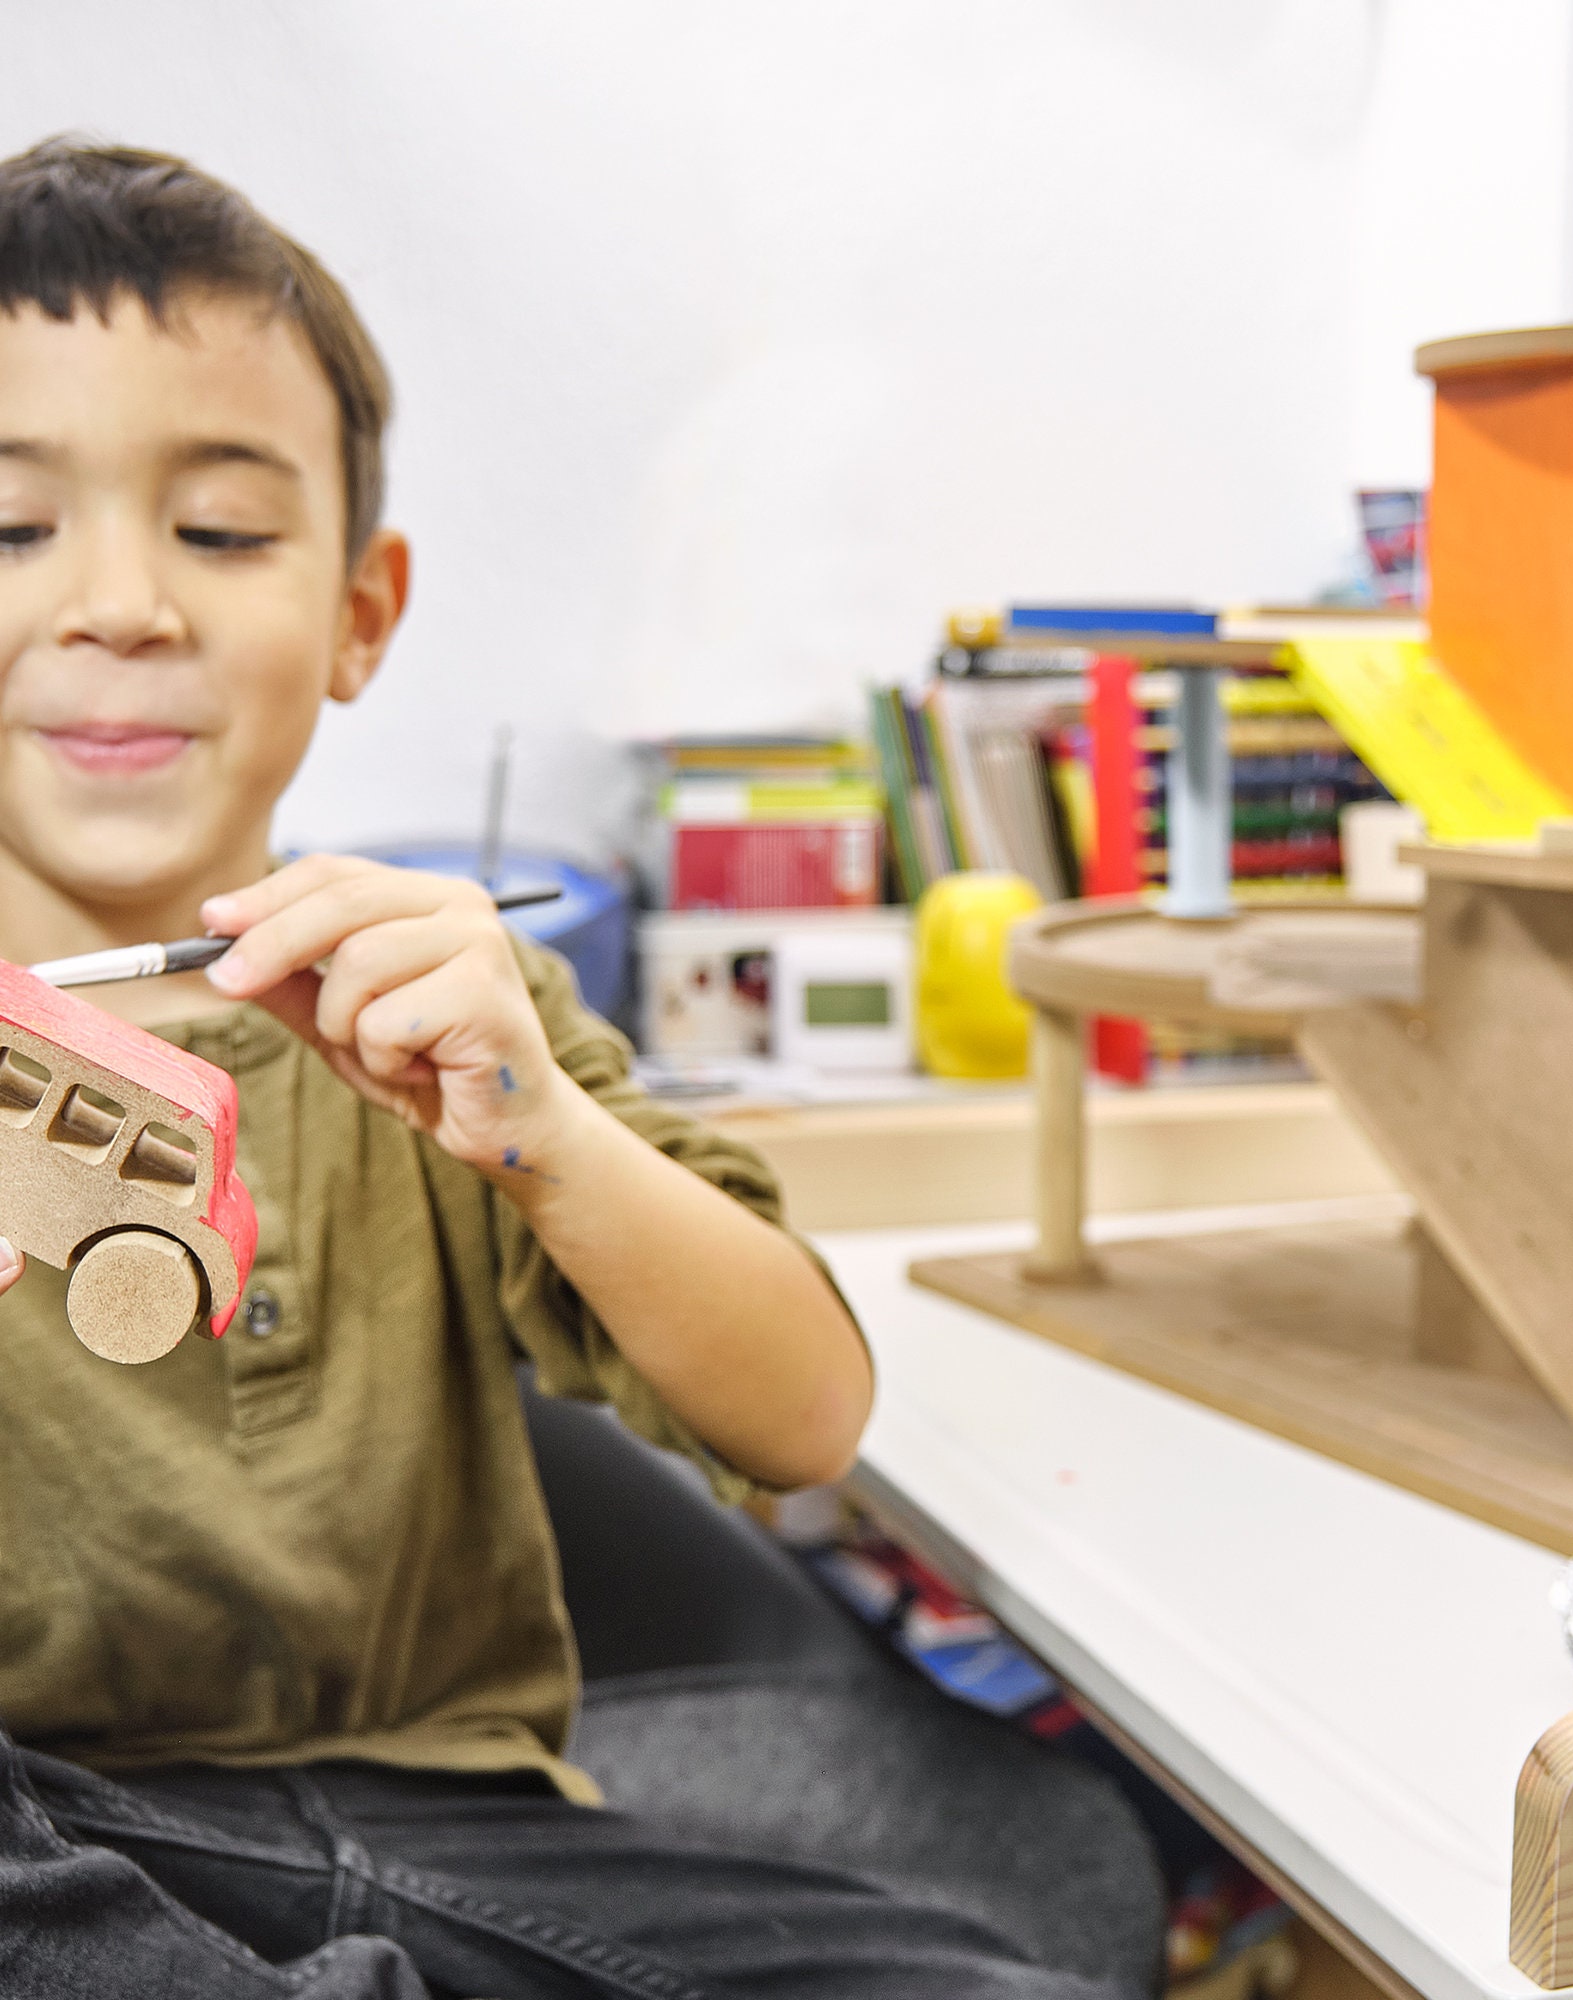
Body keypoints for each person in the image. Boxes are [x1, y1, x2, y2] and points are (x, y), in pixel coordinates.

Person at [0, 138, 1163, 1997]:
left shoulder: (464, 1008)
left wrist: (535, 1128)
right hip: (65, 1840)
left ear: (363, 613)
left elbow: (804, 1422)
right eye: (14, 529)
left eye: (220, 531)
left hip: (461, 1837)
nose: (122, 604)